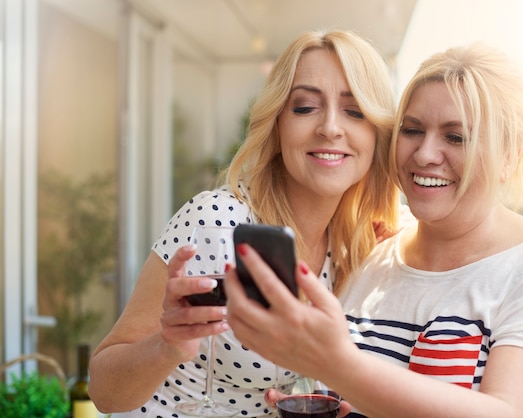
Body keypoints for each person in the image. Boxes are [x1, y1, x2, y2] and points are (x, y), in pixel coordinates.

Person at [224, 42, 523, 418]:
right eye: (412, 130)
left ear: (510, 157)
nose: (424, 154)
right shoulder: (371, 250)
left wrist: (338, 366)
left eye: (456, 137)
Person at [88, 29, 401, 417]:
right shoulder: (216, 222)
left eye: (354, 111)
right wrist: (167, 345)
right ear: (277, 123)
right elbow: (103, 391)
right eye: (305, 107)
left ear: (377, 135)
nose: (331, 128)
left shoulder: (356, 246)